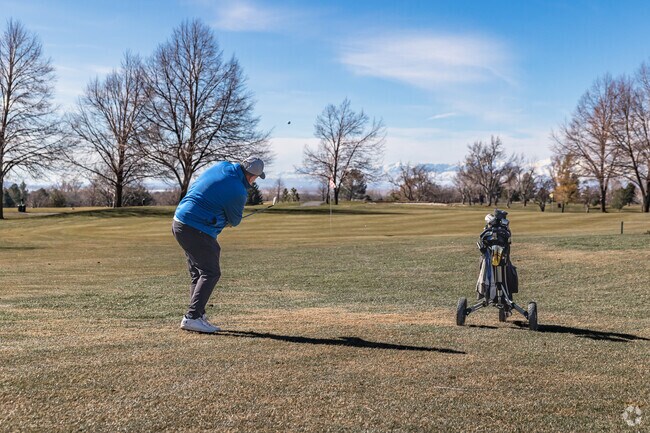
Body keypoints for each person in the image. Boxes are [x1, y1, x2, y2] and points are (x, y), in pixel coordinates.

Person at [172, 157, 265, 333]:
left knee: (198, 273)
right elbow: (235, 220)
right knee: (210, 272)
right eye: (255, 179)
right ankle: (192, 317)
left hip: (179, 221)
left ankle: (198, 315)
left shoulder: (222, 165)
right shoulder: (239, 191)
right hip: (195, 228)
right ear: (252, 177)